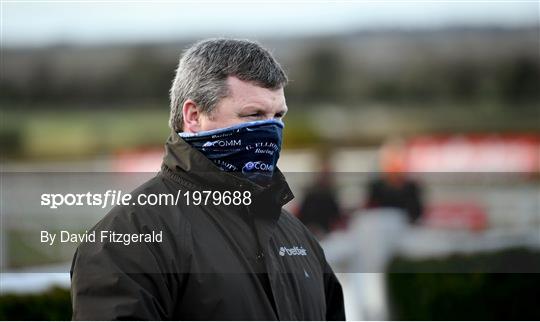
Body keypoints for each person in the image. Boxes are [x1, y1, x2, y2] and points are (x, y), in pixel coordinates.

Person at [70, 38, 345, 320]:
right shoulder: (128, 237)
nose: (271, 130)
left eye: (278, 116)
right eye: (254, 115)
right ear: (193, 115)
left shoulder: (298, 237)